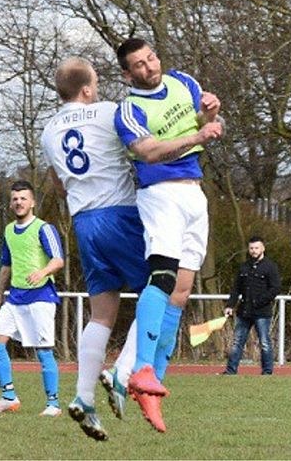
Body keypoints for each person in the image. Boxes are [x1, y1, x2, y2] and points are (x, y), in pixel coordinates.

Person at [41, 56, 173, 439]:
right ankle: (123, 372)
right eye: (95, 83)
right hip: (120, 214)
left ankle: (83, 397)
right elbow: (141, 146)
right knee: (161, 289)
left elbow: (59, 185)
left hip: (83, 222)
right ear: (86, 89)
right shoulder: (107, 112)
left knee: (101, 314)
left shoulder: (48, 131)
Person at [113, 37, 223, 432]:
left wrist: (211, 115)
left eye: (151, 58)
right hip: (160, 195)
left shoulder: (184, 82)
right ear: (127, 75)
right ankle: (141, 367)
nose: (149, 67)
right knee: (162, 276)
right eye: (139, 65)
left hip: (194, 192)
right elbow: (150, 151)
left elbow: (207, 126)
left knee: (182, 291)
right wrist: (198, 136)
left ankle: (152, 385)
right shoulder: (129, 110)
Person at [0, 180, 65, 417]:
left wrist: (42, 272)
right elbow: (6, 266)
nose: (19, 202)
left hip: (41, 297)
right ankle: (8, 397)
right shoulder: (9, 231)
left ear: (32, 203)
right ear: (11, 204)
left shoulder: (44, 228)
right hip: (15, 298)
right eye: (15, 199)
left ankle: (53, 404)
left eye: (23, 198)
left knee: (44, 351)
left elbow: (58, 260)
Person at [222, 236, 281, 375]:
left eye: (256, 248)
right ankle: (230, 370)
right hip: (244, 311)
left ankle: (267, 372)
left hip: (262, 312)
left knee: (265, 342)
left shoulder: (270, 267)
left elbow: (275, 288)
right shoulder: (244, 267)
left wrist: (260, 301)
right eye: (251, 248)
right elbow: (236, 289)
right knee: (237, 342)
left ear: (263, 248)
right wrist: (230, 305)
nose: (254, 251)